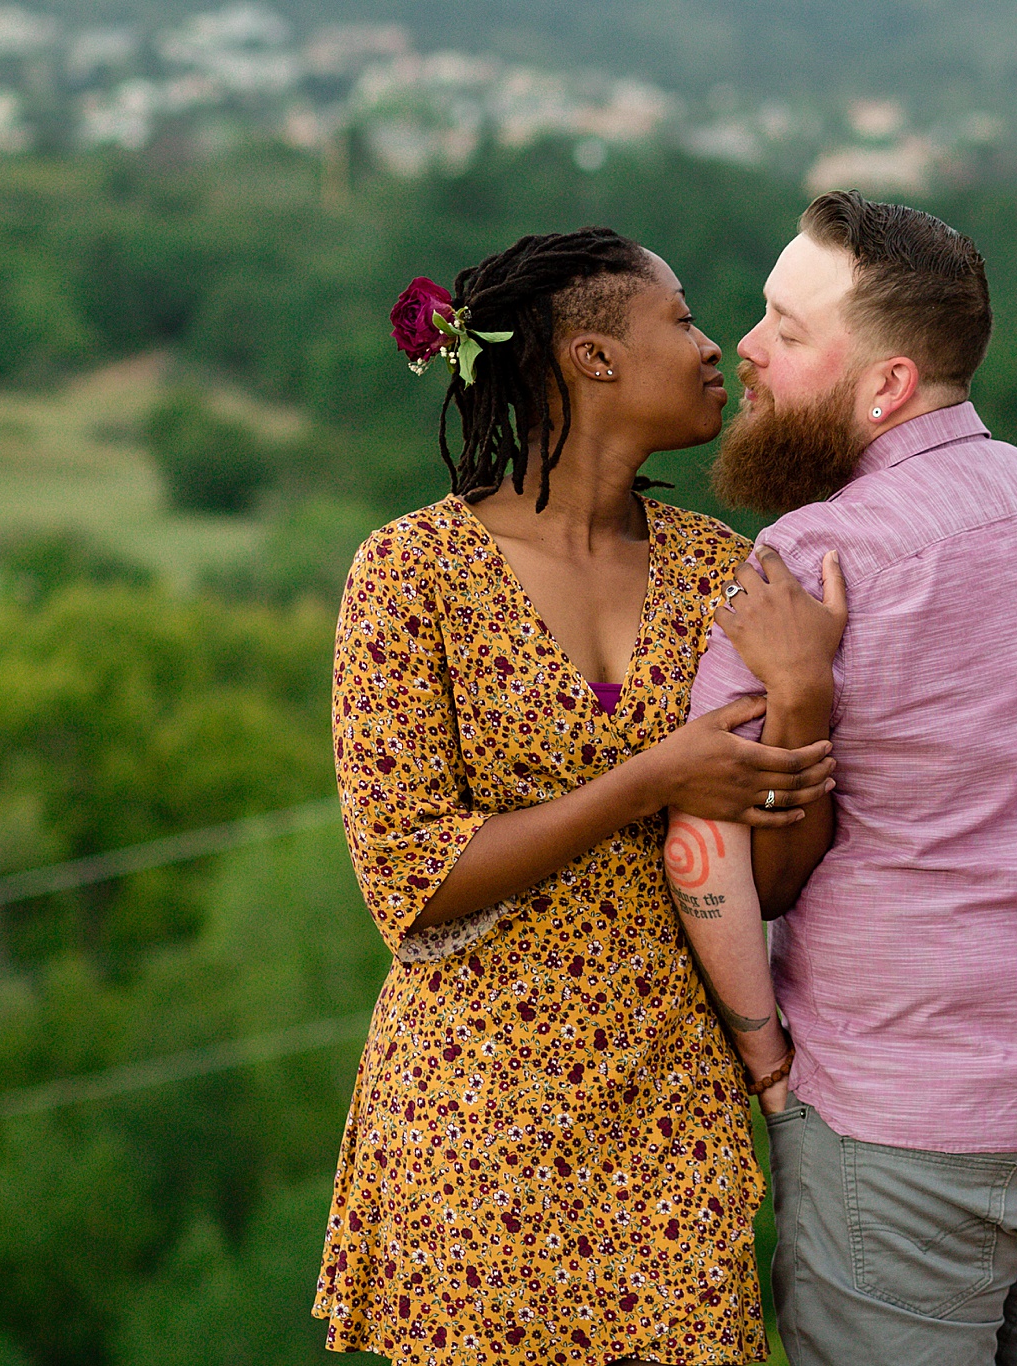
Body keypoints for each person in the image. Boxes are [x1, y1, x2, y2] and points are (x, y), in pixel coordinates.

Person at [314, 226, 844, 1366]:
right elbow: (413, 882)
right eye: (682, 319)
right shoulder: (409, 575)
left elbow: (780, 873)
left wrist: (801, 696)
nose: (715, 350)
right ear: (591, 357)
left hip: (673, 1111)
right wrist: (649, 779)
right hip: (473, 1117)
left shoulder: (722, 571)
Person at [666, 191, 1017, 1366]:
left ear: (885, 383)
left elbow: (710, 847)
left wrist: (766, 1064)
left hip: (903, 1123)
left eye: (787, 332)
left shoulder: (809, 560)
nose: (745, 346)